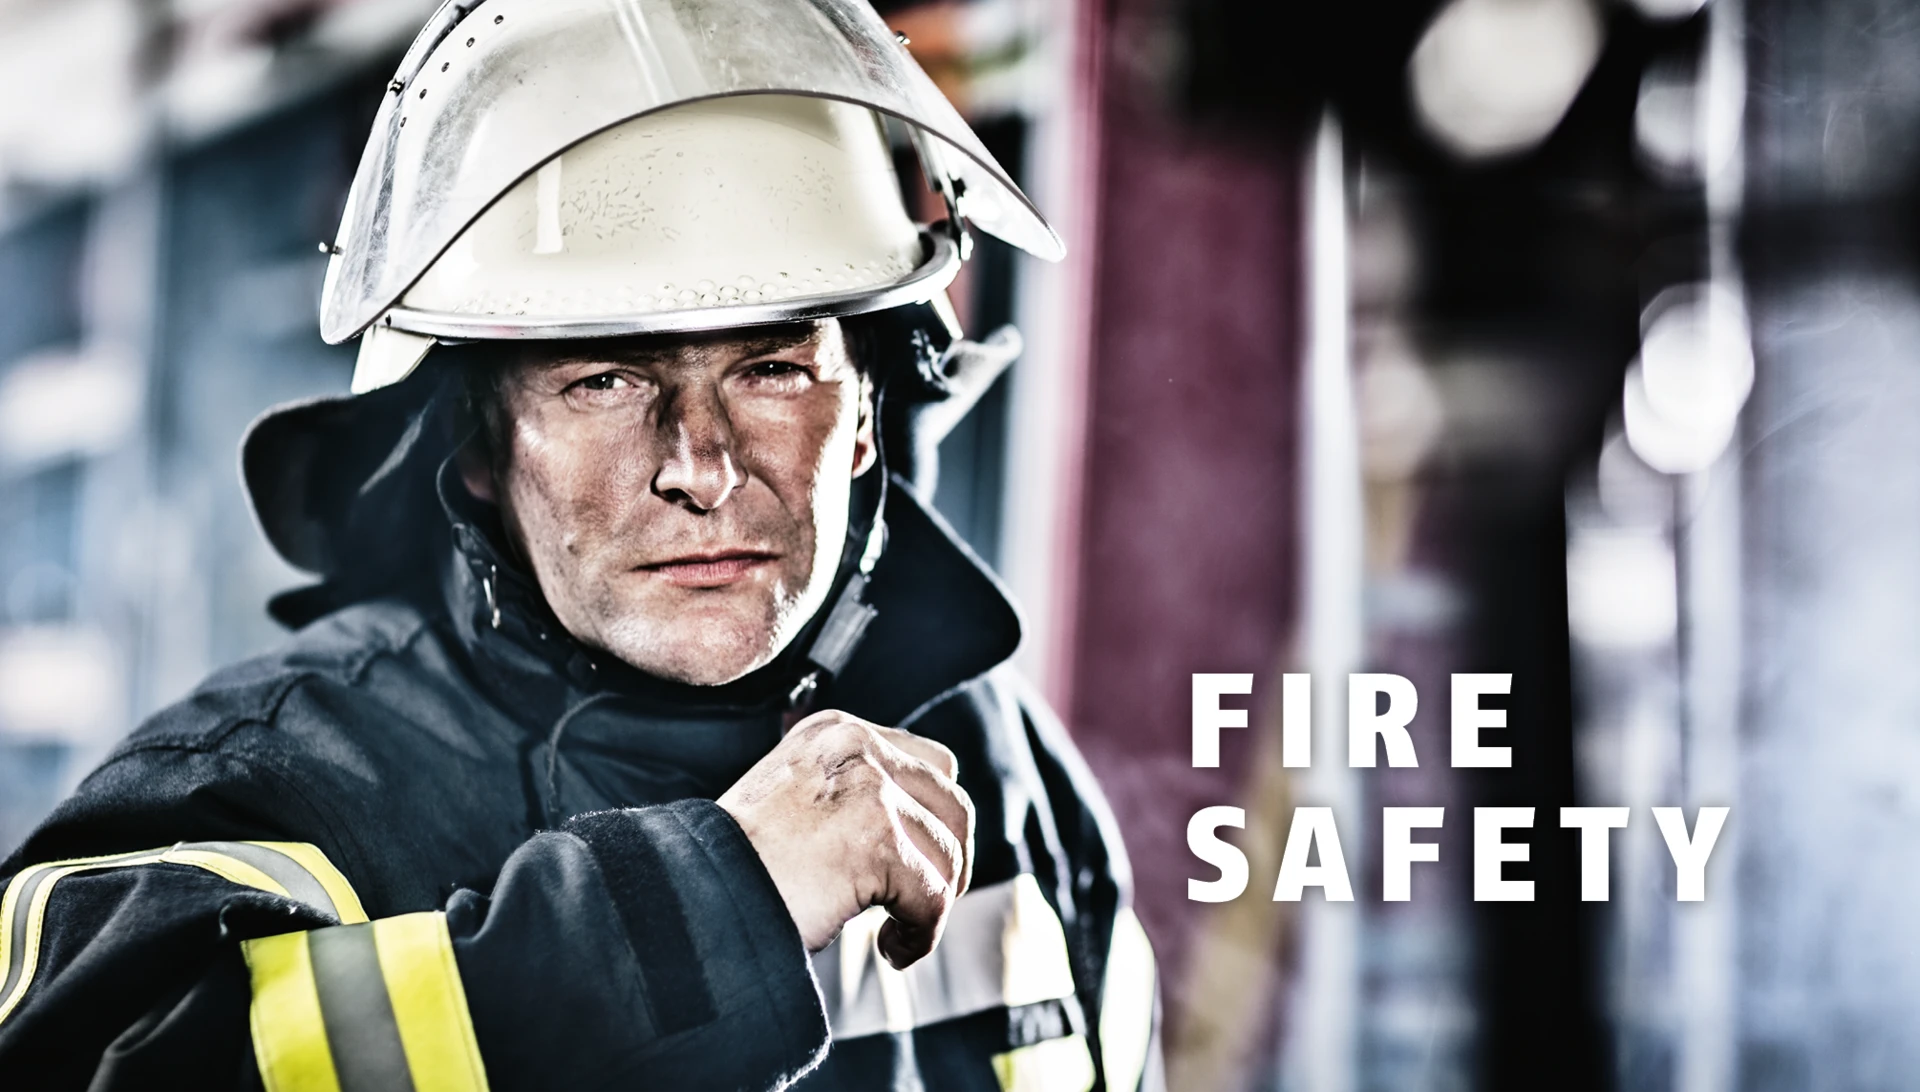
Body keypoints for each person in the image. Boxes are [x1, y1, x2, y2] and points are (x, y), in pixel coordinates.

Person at [0, 1, 1161, 1090]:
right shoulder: (261, 798)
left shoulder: (992, 758)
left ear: (864, 412)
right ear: (473, 449)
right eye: (604, 381)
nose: (699, 467)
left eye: (772, 369)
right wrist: (710, 913)